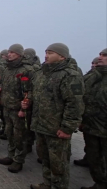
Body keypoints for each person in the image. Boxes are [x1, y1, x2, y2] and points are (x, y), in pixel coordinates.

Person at [28, 43, 84, 189]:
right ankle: (47, 183)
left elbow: (75, 103)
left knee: (59, 163)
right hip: (40, 125)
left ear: (62, 56)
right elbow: (35, 95)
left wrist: (67, 128)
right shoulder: (41, 73)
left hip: (57, 129)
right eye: (46, 52)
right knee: (45, 158)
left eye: (51, 53)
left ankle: (59, 186)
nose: (46, 55)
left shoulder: (71, 75)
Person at [0, 44, 34, 173]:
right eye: (9, 51)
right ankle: (11, 155)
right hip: (7, 106)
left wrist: (23, 109)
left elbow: (29, 91)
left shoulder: (26, 69)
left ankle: (18, 160)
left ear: (19, 54)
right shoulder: (8, 68)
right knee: (9, 133)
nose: (9, 54)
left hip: (18, 109)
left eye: (12, 52)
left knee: (19, 136)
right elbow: (4, 83)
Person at [80, 49, 107, 189]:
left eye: (105, 55)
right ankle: (100, 183)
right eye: (101, 54)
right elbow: (79, 97)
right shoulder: (91, 77)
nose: (100, 57)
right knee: (93, 157)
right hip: (91, 125)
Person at [74, 56, 99, 167]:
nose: (94, 65)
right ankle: (89, 159)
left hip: (101, 118)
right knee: (90, 143)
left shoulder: (74, 73)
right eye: (92, 63)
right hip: (88, 116)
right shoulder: (87, 77)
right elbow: (77, 95)